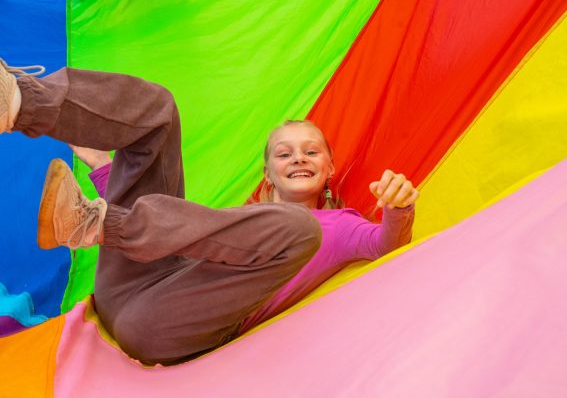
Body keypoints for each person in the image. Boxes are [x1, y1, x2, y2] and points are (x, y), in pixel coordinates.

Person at [1, 60, 417, 365]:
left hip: (163, 323)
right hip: (130, 278)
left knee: (300, 228)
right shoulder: (237, 220)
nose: (298, 159)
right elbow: (166, 232)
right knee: (159, 110)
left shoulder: (341, 226)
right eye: (284, 153)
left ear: (330, 167)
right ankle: (19, 102)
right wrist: (105, 167)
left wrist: (400, 207)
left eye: (311, 152)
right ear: (268, 173)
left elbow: (385, 244)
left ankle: (100, 222)